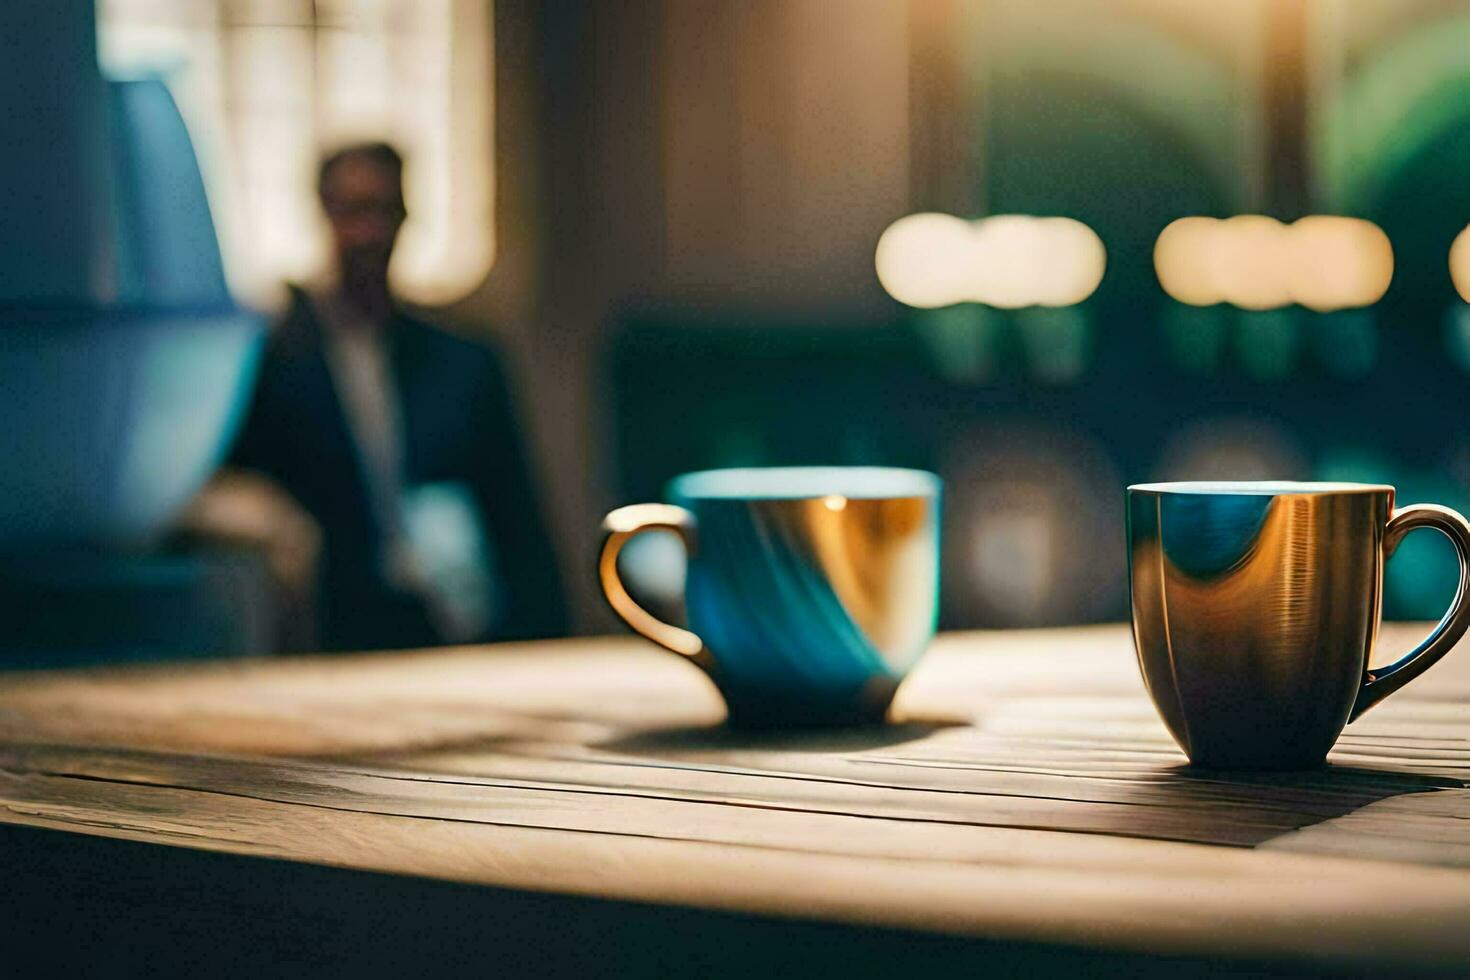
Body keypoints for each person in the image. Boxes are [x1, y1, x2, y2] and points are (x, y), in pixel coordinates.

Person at [230, 141, 567, 650]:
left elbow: (518, 522)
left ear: (406, 218)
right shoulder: (278, 366)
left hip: (452, 623)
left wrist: (543, 645)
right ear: (325, 213)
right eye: (354, 211)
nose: (369, 233)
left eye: (384, 211)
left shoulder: (463, 364)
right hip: (331, 629)